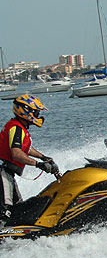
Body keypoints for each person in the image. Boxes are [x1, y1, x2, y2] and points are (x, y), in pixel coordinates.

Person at [0, 94, 58, 225]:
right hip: (2, 172)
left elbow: (26, 148)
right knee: (5, 210)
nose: (38, 115)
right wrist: (38, 164)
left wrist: (43, 157)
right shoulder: (16, 128)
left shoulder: (18, 128)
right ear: (26, 111)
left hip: (7, 173)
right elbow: (16, 153)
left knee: (17, 207)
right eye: (36, 112)